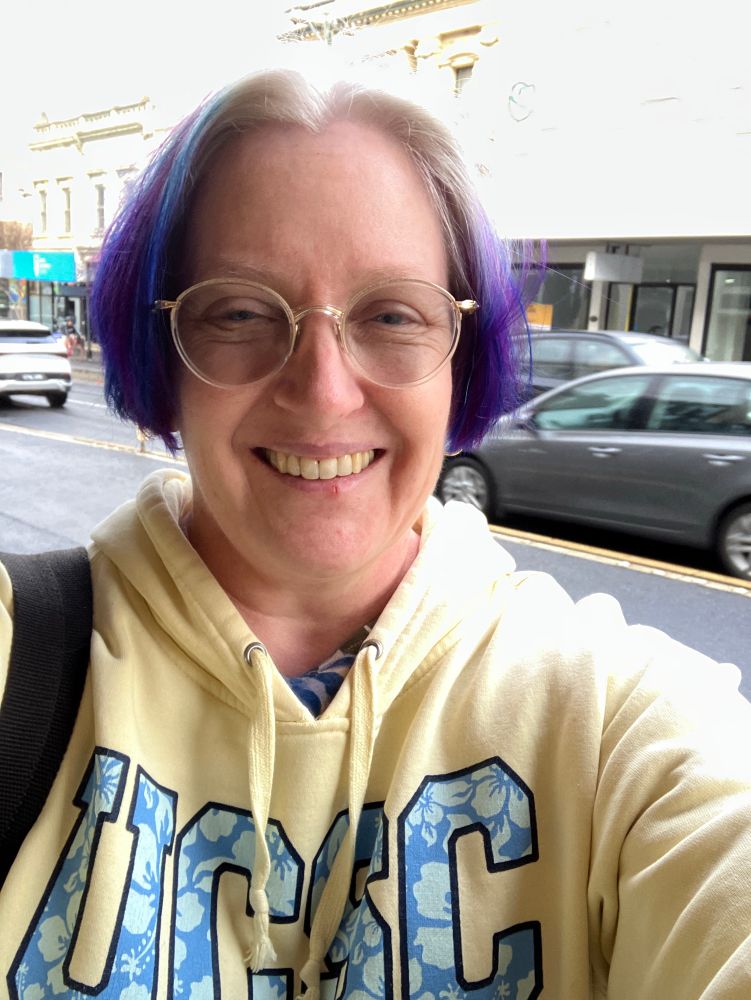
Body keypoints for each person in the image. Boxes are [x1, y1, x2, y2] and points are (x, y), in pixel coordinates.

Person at [1, 67, 750, 999]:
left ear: (461, 356)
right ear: (164, 352)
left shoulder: (609, 722)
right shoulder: (22, 663)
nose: (322, 391)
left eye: (392, 314)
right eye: (241, 312)